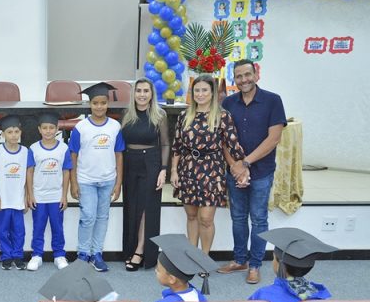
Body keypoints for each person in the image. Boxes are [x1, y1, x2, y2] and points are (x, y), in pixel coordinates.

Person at [219, 60, 287, 284]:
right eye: (239, 76)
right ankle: (240, 260)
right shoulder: (228, 102)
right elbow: (224, 140)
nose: (244, 80)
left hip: (261, 171)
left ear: (256, 74)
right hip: (235, 171)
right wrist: (234, 166)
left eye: (247, 74)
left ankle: (255, 264)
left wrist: (244, 164)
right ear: (234, 79)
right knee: (237, 217)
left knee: (259, 219)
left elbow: (274, 138)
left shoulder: (272, 100)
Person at [170, 74, 245, 255]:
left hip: (212, 170)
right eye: (197, 90)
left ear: (212, 93)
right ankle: (191, 254)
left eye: (205, 90)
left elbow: (233, 145)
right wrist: (174, 171)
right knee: (191, 215)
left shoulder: (222, 116)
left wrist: (242, 168)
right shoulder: (184, 116)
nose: (200, 94)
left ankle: (204, 257)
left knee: (206, 218)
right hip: (187, 169)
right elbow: (177, 146)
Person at [69, 82, 124, 272]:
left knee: (102, 217)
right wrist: (73, 183)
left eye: (103, 103)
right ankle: (83, 254)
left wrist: (118, 183)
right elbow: (73, 155)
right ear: (89, 104)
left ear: (107, 103)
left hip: (108, 180)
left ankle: (96, 253)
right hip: (86, 180)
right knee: (88, 217)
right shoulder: (80, 128)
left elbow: (119, 155)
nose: (99, 107)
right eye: (95, 103)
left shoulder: (115, 126)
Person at [120, 78, 170, 271]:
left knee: (146, 208)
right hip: (130, 162)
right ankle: (131, 249)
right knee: (132, 206)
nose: (142, 94)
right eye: (138, 91)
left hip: (151, 161)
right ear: (133, 93)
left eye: (146, 91)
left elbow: (165, 143)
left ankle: (141, 250)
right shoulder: (126, 114)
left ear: (152, 94)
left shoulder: (159, 115)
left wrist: (163, 169)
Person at [27, 112, 71, 271]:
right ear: (39, 129)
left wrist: (64, 195)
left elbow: (66, 172)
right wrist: (30, 195)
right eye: (44, 128)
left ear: (57, 128)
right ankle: (36, 255)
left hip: (56, 196)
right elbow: (30, 172)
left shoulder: (64, 149)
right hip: (39, 196)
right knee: (38, 227)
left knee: (57, 227)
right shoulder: (33, 148)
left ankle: (59, 255)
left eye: (51, 128)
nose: (48, 131)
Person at [0, 115, 35, 270]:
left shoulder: (25, 152)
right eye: (10, 132)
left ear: (21, 132)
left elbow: (29, 175)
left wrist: (28, 196)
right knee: (3, 230)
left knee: (19, 230)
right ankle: (6, 256)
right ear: (3, 134)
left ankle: (17, 255)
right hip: (4, 197)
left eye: (16, 131)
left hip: (18, 198)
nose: (14, 135)